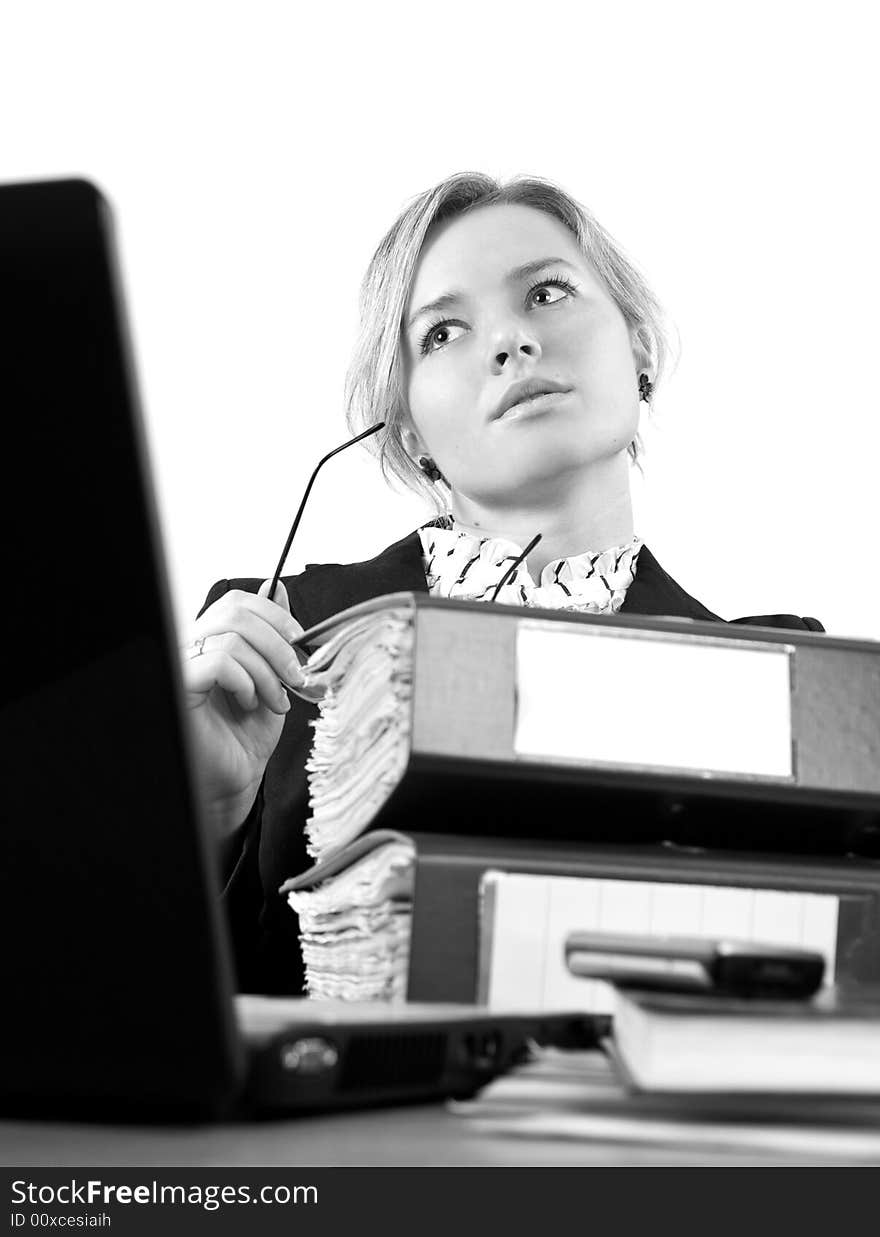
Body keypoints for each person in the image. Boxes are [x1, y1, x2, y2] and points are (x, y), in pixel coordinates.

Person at [182, 172, 823, 995]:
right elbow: (125, 1008)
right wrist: (203, 817)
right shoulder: (271, 635)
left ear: (639, 348)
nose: (509, 343)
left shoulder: (780, 673)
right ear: (408, 428)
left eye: (549, 292)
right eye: (443, 332)